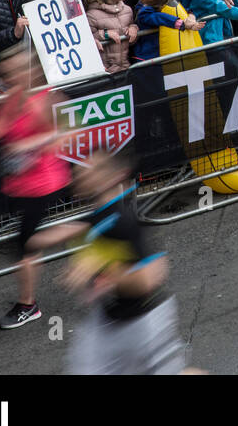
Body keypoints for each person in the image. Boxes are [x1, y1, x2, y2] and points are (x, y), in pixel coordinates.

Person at [25, 148, 189, 374]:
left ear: (113, 176)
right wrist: (46, 237)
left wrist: (104, 268)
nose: (81, 175)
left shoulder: (123, 221)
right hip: (107, 320)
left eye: (91, 170)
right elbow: (90, 227)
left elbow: (151, 276)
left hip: (143, 323)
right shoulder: (100, 216)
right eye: (79, 170)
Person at [0, 44, 71, 330]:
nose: (10, 76)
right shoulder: (12, 98)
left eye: (16, 71)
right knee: (28, 240)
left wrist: (30, 144)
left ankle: (28, 305)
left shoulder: (46, 99)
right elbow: (2, 126)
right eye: (8, 72)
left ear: (31, 71)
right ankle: (90, 232)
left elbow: (64, 134)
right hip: (20, 181)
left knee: (25, 245)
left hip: (44, 180)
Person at [85, 0, 136, 73]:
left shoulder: (127, 10)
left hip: (126, 68)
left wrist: (134, 29)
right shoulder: (91, 15)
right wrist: (104, 34)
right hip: (106, 72)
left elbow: (132, 38)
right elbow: (86, 41)